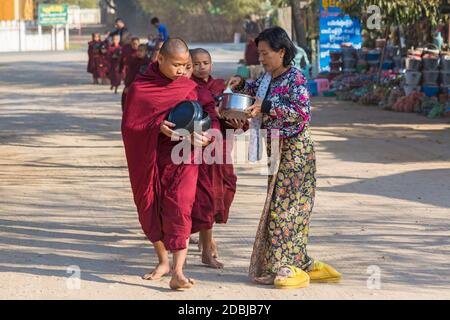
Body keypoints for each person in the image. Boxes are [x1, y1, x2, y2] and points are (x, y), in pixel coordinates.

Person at [227, 27, 342, 289]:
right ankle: (293, 261)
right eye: (259, 54)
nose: (261, 59)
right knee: (277, 206)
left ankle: (286, 266)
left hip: (295, 151)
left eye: (266, 54)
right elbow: (255, 91)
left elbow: (301, 113)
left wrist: (266, 107)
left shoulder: (296, 78)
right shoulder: (268, 78)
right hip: (275, 150)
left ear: (281, 52)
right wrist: (241, 84)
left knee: (285, 210)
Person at [122, 38, 219, 290]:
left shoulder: (188, 87)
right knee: (150, 204)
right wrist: (156, 127)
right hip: (152, 159)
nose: (180, 70)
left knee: (180, 205)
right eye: (176, 64)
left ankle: (178, 271)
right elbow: (131, 126)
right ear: (160, 59)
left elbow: (210, 114)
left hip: (183, 156)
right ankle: (163, 261)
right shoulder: (140, 89)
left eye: (184, 65)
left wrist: (206, 136)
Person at [190, 48, 248, 262]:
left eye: (205, 62)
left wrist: (238, 122)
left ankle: (206, 241)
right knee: (202, 200)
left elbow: (238, 117)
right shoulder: (188, 88)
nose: (202, 66)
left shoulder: (220, 87)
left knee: (222, 192)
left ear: (211, 64)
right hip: (195, 152)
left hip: (222, 151)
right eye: (196, 63)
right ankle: (201, 249)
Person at [121, 44, 150, 112]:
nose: (139, 52)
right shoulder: (133, 60)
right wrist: (127, 85)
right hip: (129, 86)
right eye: (138, 51)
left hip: (140, 89)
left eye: (141, 51)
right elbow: (130, 74)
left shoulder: (147, 62)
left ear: (146, 52)